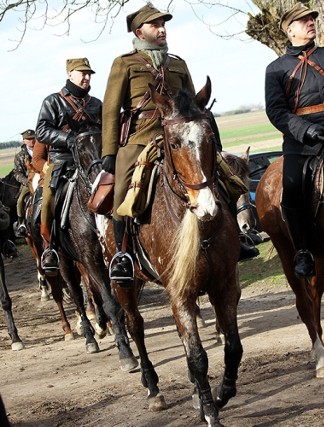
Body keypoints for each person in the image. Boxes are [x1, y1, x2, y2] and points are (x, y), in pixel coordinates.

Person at [101, 4, 258, 283]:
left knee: (228, 179)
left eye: (164, 24)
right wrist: (110, 153)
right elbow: (111, 111)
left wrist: (214, 144)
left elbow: (195, 106)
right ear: (140, 31)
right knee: (122, 190)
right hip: (141, 139)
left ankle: (237, 239)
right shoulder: (124, 64)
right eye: (155, 25)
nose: (162, 29)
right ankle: (122, 256)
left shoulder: (177, 63)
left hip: (181, 138)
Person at [264, 3, 324, 278]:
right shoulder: (276, 69)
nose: (310, 23)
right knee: (293, 186)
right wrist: (305, 130)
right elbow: (276, 111)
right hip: (302, 140)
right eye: (303, 20)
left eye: (311, 19)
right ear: (290, 29)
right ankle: (304, 250)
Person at [36, 57, 102, 272]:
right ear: (69, 74)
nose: (86, 76)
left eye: (88, 73)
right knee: (46, 202)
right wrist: (69, 140)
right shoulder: (52, 102)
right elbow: (42, 131)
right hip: (62, 162)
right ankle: (49, 248)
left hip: (93, 162)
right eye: (81, 72)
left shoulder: (96, 104)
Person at [13, 129, 37, 237]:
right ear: (24, 141)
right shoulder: (20, 156)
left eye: (33, 138)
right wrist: (26, 182)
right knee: (20, 201)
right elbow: (17, 173)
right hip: (28, 183)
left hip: (42, 180)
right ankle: (21, 223)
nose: (32, 141)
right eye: (29, 139)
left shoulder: (42, 150)